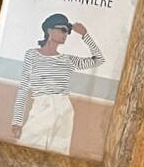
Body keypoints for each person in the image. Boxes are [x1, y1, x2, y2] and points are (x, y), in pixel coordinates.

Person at [10, 13, 104, 155]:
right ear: (49, 30)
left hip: (63, 110)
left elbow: (99, 60)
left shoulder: (68, 60)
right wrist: (16, 122)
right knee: (27, 152)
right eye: (62, 29)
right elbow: (23, 88)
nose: (65, 34)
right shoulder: (32, 55)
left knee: (57, 154)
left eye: (67, 31)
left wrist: (85, 35)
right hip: (40, 107)